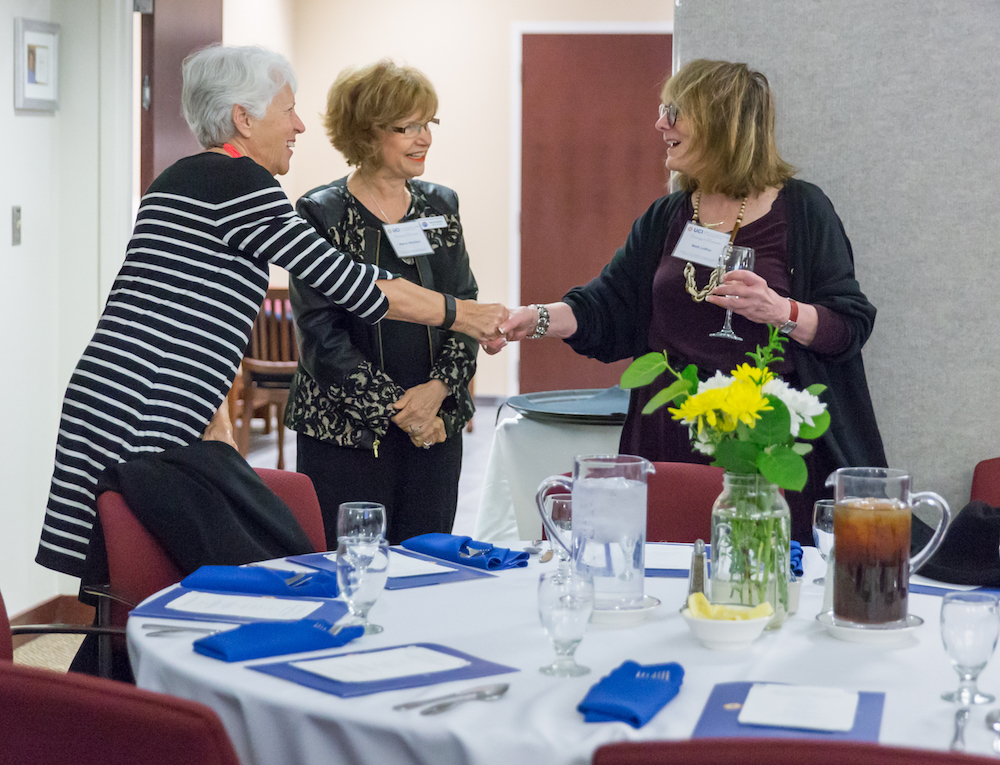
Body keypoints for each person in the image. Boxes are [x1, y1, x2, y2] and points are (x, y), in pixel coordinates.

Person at [37, 45, 506, 578]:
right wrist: (466, 316)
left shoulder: (178, 180)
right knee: (173, 581)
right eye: (287, 111)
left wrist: (214, 415)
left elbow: (175, 310)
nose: (300, 125)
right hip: (142, 411)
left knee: (125, 584)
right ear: (243, 118)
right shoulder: (241, 185)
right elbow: (354, 285)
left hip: (107, 401)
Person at [495, 59, 886, 544]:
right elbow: (607, 306)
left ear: (722, 123)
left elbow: (849, 325)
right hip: (670, 428)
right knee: (667, 578)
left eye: (675, 112)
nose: (661, 123)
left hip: (761, 436)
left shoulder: (803, 211)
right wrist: (531, 319)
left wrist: (781, 311)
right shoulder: (668, 215)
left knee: (758, 575)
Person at [285, 61, 477, 546]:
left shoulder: (440, 205)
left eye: (427, 124)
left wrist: (437, 392)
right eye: (406, 127)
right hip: (345, 434)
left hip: (434, 428)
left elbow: (464, 304)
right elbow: (319, 337)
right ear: (366, 133)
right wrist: (397, 408)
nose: (424, 138)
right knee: (351, 571)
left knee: (427, 566)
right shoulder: (320, 212)